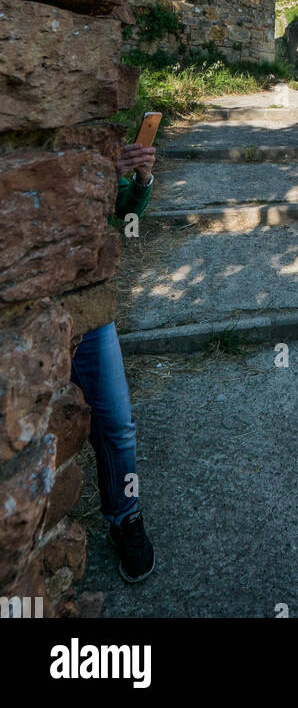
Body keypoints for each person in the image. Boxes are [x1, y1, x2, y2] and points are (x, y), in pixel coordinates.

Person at [70, 139, 157, 583]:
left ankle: (125, 518)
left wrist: (137, 180)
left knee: (118, 423)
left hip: (87, 305)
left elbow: (126, 219)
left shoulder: (90, 122)